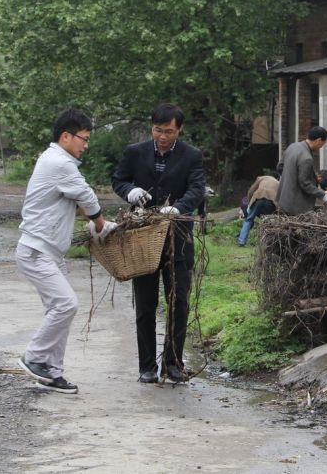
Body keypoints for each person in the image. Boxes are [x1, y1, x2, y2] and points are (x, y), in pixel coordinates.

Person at [15, 108, 114, 395]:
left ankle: (52, 372)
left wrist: (94, 219)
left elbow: (76, 201)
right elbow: (87, 196)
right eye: (83, 138)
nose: (86, 144)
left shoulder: (54, 160)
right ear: (66, 136)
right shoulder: (61, 162)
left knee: (59, 309)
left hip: (49, 251)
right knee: (66, 305)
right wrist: (99, 224)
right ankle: (34, 357)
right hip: (36, 250)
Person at [112, 103, 206, 384]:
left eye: (168, 131)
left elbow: (197, 189)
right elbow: (118, 179)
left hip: (178, 239)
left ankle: (173, 363)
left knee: (178, 303)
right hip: (143, 239)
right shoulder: (135, 152)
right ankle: (147, 366)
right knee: (145, 304)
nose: (162, 137)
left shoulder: (192, 155)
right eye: (157, 130)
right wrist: (130, 191)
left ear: (179, 129)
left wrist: (178, 208)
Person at [276, 126, 327, 215]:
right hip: (296, 205)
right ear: (318, 140)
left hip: (283, 200)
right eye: (322, 144)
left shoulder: (292, 146)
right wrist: (322, 195)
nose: (321, 147)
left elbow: (280, 167)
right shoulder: (307, 158)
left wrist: (289, 180)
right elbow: (305, 183)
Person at [238, 171, 278, 247]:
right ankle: (268, 243)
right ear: (276, 177)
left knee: (249, 219)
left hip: (258, 200)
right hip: (270, 203)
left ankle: (241, 241)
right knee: (269, 222)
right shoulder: (278, 183)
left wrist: (250, 203)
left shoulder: (261, 178)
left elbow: (251, 191)